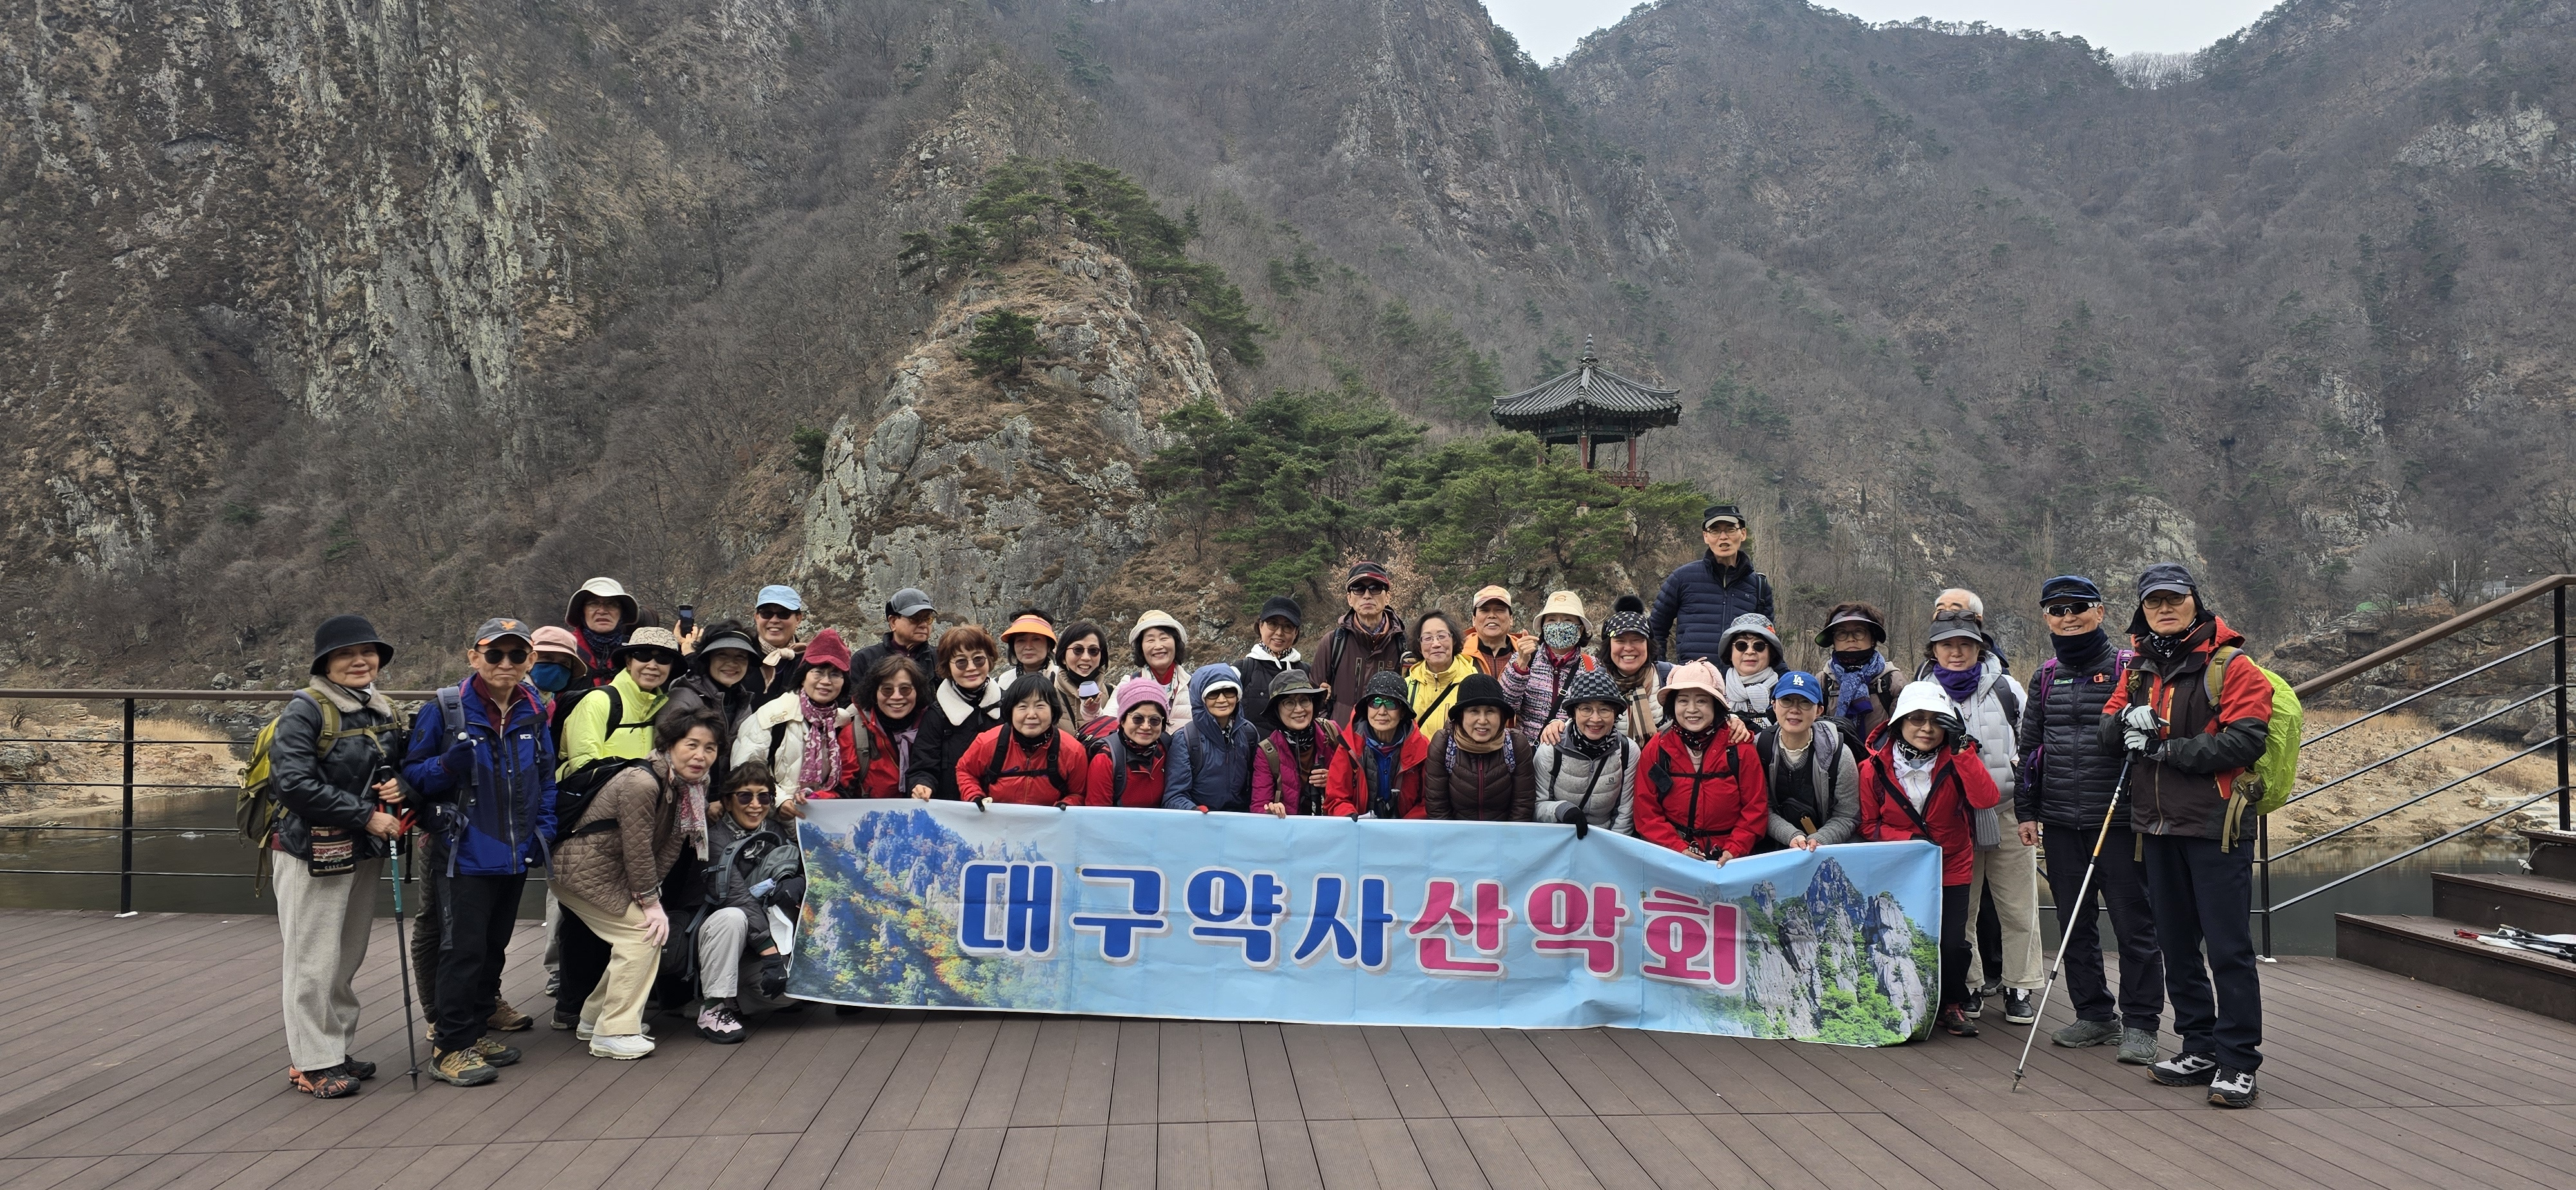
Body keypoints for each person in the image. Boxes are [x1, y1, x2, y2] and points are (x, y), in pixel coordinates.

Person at [2099, 563, 2274, 1108]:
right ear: (2142, 610)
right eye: (2154, 602)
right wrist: (2126, 723)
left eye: (2174, 599)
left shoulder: (2233, 666)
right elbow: (2106, 729)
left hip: (2216, 826)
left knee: (2228, 949)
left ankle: (2238, 1061)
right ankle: (2199, 1046)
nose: (2164, 609)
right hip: (2155, 826)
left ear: (2195, 601)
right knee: (2176, 947)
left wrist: (2166, 748)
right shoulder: (2137, 669)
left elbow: (2246, 740)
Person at [402, 617, 557, 1086]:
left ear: (530, 659)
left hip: (515, 852)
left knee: (493, 946)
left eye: (517, 654)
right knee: (462, 949)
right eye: (494, 654)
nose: (505, 663)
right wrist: (447, 765)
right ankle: (450, 1047)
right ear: (474, 657)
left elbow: (546, 777)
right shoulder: (445, 709)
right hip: (462, 851)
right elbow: (412, 777)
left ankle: (474, 1029)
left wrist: (543, 831)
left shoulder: (534, 709)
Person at [2020, 575, 2163, 1066]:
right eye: (2057, 610)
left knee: (2134, 925)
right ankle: (2095, 1015)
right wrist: (2026, 811)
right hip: (2061, 821)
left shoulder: (2130, 667)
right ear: (2047, 618)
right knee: (2073, 924)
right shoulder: (2044, 676)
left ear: (2100, 612)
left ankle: (2141, 1024)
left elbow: (2152, 737)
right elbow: (2031, 748)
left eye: (2078, 607)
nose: (2069, 617)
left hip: (2119, 821)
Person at [270, 614, 408, 1098]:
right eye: (346, 654)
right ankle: (313, 1063)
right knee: (312, 959)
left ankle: (335, 1049)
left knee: (346, 955)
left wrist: (400, 787)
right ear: (325, 663)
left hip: (361, 850)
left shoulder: (382, 709)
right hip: (310, 850)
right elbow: (292, 783)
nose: (359, 661)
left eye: (367, 652)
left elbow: (398, 768)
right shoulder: (305, 710)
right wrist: (366, 815)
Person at [553, 706, 720, 1059]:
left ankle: (594, 1018)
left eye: (710, 748)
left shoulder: (693, 786)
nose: (700, 756)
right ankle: (614, 1031)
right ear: (670, 745)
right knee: (642, 935)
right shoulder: (642, 782)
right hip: (579, 870)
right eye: (691, 745)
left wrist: (650, 898)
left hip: (609, 873)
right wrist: (650, 902)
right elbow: (638, 847)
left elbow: (671, 846)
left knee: (647, 931)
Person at [1856, 681, 2003, 1037]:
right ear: (1899, 723)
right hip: (1900, 868)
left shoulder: (1958, 759)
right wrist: (1911, 840)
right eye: (1917, 719)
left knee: (1952, 942)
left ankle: (1952, 1003)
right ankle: (1901, 1003)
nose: (1926, 728)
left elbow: (1986, 799)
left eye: (1937, 720)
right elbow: (1869, 826)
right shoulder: (1874, 768)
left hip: (1951, 863)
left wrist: (1963, 750)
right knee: (1899, 938)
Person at [1923, 609, 2041, 1025]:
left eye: (1965, 644)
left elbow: (2032, 747)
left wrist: (2030, 806)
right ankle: (1969, 984)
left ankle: (2019, 985)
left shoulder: (2007, 688)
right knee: (1963, 909)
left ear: (1980, 648)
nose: (1956, 653)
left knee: (2018, 907)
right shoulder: (1923, 693)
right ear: (1934, 650)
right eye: (1947, 645)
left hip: (2007, 811)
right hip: (1954, 818)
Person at [690, 762, 803, 1044]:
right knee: (733, 916)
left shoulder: (774, 831)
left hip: (760, 946)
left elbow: (806, 870)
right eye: (745, 796)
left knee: (805, 988)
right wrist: (770, 954)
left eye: (764, 797)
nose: (755, 805)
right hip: (717, 939)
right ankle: (713, 1008)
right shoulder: (714, 838)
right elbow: (736, 896)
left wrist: (796, 884)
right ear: (728, 802)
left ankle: (736, 1002)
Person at [1630, 660, 1767, 862]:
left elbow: (1755, 809)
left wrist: (1734, 849)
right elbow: (1646, 812)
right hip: (1672, 857)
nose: (1692, 709)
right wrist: (1678, 848)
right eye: (1683, 701)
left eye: (1702, 701)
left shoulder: (1739, 749)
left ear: (1715, 705)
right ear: (1673, 705)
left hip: (1728, 861)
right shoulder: (1657, 748)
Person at [733, 628, 857, 812]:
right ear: (803, 677)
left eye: (835, 674)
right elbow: (744, 769)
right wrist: (781, 801)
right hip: (771, 815)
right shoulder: (773, 716)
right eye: (818, 672)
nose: (826, 681)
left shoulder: (840, 721)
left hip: (821, 815)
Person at [1645, 504, 1775, 665]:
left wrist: (1789, 678)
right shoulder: (1682, 578)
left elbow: (1769, 639)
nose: (1723, 537)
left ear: (1743, 534)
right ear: (1706, 537)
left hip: (1740, 678)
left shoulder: (1759, 586)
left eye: (1730, 530)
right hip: (1693, 676)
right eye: (1715, 531)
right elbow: (1656, 629)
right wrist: (1659, 668)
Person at [1755, 672, 1857, 853]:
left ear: (1819, 711)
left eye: (1805, 702)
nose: (1795, 709)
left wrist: (1819, 839)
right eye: (1786, 700)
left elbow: (1847, 815)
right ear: (1774, 705)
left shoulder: (1840, 754)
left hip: (1823, 851)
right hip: (1771, 848)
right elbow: (1762, 809)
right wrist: (1791, 836)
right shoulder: (1759, 748)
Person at [558, 627, 681, 777]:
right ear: (629, 662)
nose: (652, 666)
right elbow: (583, 767)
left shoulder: (663, 708)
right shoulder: (598, 702)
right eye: (643, 656)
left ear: (671, 667)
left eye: (663, 659)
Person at [957, 673, 1092, 806]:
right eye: (1022, 707)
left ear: (1053, 711)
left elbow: (1078, 793)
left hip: (1048, 820)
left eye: (1040, 706)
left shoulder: (1073, 751)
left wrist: (1066, 805)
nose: (1031, 715)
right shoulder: (988, 742)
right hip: (996, 819)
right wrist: (974, 796)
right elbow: (965, 771)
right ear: (1011, 711)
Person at [1531, 668, 1637, 836]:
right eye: (1586, 709)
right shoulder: (1551, 748)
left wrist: (1614, 846)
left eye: (1604, 709)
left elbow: (1625, 811)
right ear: (1574, 712)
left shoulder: (1628, 751)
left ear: (1615, 713)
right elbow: (1537, 806)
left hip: (1605, 839)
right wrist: (1562, 810)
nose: (1595, 719)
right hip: (1559, 837)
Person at [1423, 674, 1535, 821]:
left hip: (1505, 833)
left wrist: (1510, 836)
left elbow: (1523, 806)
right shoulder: (1444, 745)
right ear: (1461, 716)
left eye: (1490, 711)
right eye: (1474, 711)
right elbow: (1437, 809)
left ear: (1501, 716)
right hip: (1456, 833)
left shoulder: (1516, 744)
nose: (1482, 720)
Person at [1323, 673, 1429, 818]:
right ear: (1367, 708)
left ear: (1403, 712)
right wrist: (1350, 817)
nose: (1382, 712)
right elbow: (1335, 798)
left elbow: (1429, 802)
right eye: (1376, 702)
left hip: (1407, 830)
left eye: (1391, 704)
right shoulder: (1348, 747)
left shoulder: (1422, 749)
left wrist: (1403, 827)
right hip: (1359, 829)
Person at [1500, 591, 1596, 746]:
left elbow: (1596, 716)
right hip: (1526, 752)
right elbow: (1504, 707)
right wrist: (1521, 666)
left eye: (1567, 620)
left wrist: (1564, 725)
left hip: (1573, 752)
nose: (1559, 625)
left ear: (1581, 629)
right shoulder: (1524, 659)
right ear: (1543, 627)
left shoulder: (1591, 667)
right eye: (1552, 620)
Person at [1317, 562, 1409, 723]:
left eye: (1375, 588)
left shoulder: (1403, 644)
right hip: (1341, 737)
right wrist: (1330, 731)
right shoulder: (1333, 642)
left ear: (1387, 597)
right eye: (1358, 589)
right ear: (1349, 599)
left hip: (1387, 736)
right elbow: (1315, 697)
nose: (1367, 595)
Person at [1164, 664, 1257, 811]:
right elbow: (1174, 796)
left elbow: (1258, 785)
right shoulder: (1186, 739)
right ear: (1200, 698)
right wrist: (1194, 811)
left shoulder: (1248, 733)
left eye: (1229, 692)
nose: (1222, 699)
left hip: (1241, 820)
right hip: (1201, 820)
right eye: (1213, 694)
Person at [1248, 669, 1338, 817]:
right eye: (1289, 703)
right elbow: (1259, 806)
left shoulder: (1332, 732)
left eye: (1304, 700)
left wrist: (1335, 780)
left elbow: (1357, 781)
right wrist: (1271, 811)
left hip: (1330, 825)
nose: (1299, 709)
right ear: (1277, 710)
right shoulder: (1267, 752)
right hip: (1289, 828)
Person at [1815, 603, 1899, 752]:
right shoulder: (1823, 682)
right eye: (1842, 633)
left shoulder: (1892, 681)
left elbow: (1903, 732)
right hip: (1835, 759)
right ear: (1833, 641)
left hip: (1879, 761)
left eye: (1859, 632)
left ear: (1873, 638)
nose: (1851, 639)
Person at [849, 655, 929, 798]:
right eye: (887, 690)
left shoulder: (932, 727)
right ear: (874, 693)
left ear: (918, 692)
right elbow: (840, 789)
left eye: (905, 689)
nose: (896, 697)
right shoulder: (855, 733)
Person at [1087, 675, 1173, 808]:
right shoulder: (1105, 761)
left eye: (1154, 720)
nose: (1146, 727)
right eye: (1138, 719)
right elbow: (1097, 815)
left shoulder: (1167, 747)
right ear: (1122, 720)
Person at [666, 619, 763, 733]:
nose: (731, 663)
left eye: (740, 656)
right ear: (708, 660)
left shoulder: (743, 702)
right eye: (722, 654)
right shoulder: (684, 699)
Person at [1234, 597, 1305, 728]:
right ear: (1261, 626)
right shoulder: (1241, 671)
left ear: (1296, 632)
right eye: (1273, 624)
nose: (1279, 633)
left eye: (1288, 627)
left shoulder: (1307, 673)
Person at [1405, 610, 1478, 737]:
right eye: (1427, 638)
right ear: (1419, 646)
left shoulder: (1473, 683)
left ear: (1453, 639)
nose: (1436, 644)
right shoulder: (1408, 687)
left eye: (1442, 636)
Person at [1717, 613, 1787, 734]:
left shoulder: (1784, 693)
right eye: (1741, 645)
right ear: (1730, 652)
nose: (1750, 652)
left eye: (1759, 646)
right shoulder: (1716, 691)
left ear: (1771, 653)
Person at [1126, 609, 1196, 730]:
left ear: (1176, 643)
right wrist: (1092, 710)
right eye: (1150, 640)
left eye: (1164, 638)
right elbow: (1109, 723)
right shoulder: (1129, 684)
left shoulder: (1195, 684)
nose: (1158, 646)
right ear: (1141, 648)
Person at [564, 577, 638, 688]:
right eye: (593, 604)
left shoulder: (635, 652)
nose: (602, 611)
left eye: (611, 604)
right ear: (582, 612)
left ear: (621, 613)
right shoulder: (564, 648)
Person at [850, 587, 938, 678]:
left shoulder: (940, 659)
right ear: (893, 622)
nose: (924, 625)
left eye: (928, 619)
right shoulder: (864, 660)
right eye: (915, 618)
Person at [747, 584, 810, 703]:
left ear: (798, 619)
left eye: (784, 614)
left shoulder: (809, 661)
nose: (774, 620)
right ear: (757, 617)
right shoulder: (742, 657)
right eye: (767, 613)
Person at [1054, 621, 1115, 735]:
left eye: (1093, 651)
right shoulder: (1047, 697)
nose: (1086, 657)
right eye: (1078, 650)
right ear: (1063, 657)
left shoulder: (1114, 695)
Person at [1933, 587, 2012, 674]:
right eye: (1940, 610)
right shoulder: (1926, 671)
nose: (1945, 615)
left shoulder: (1996, 674)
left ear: (1977, 620)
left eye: (1954, 610)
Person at [1465, 586, 1530, 678]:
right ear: (1474, 619)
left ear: (1511, 619)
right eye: (1485, 610)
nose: (1492, 615)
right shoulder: (1458, 653)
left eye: (1499, 610)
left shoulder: (1528, 655)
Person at [995, 609, 1058, 686]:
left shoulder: (1064, 681)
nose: (1028, 647)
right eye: (1021, 640)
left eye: (1036, 640)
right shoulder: (1000, 684)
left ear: (1049, 645)